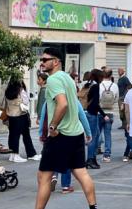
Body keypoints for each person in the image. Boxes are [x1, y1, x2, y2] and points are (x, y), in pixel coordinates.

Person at [35, 47, 97, 209]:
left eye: (45, 60)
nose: (42, 63)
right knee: (81, 172)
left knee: (44, 176)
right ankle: (93, 207)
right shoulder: (69, 79)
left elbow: (63, 104)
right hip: (75, 134)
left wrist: (52, 126)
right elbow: (75, 106)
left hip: (61, 135)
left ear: (56, 62)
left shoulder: (54, 80)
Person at [38, 100, 92, 194]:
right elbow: (83, 117)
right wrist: (88, 133)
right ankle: (65, 186)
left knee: (52, 158)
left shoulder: (48, 102)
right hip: (68, 135)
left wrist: (41, 134)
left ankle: (53, 176)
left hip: (52, 134)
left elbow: (43, 118)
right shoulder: (73, 101)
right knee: (67, 160)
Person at [4, 80, 40, 163]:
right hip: (21, 115)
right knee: (26, 135)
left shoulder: (7, 91)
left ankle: (13, 155)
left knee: (13, 135)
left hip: (11, 115)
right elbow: (26, 101)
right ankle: (30, 154)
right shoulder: (20, 90)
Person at [84, 69, 110, 169]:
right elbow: (95, 103)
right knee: (93, 137)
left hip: (86, 112)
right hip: (92, 114)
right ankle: (90, 159)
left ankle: (92, 158)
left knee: (96, 135)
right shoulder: (96, 86)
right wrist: (104, 114)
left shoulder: (88, 84)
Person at [98, 68, 119, 163]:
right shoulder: (114, 86)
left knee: (97, 133)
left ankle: (94, 152)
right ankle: (107, 155)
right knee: (107, 134)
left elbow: (97, 98)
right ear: (111, 75)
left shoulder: (99, 85)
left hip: (99, 111)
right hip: (110, 112)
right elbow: (116, 98)